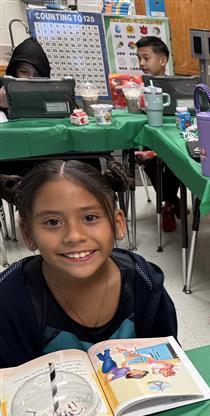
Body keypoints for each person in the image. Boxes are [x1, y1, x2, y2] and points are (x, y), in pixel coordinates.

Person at [0, 160, 177, 369]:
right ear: (28, 234)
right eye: (52, 222)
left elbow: (170, 365)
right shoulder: (10, 300)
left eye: (90, 217)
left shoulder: (145, 283)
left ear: (118, 224)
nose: (74, 236)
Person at [134, 36, 181, 233]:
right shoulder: (136, 86)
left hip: (174, 138)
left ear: (163, 61)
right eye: (139, 59)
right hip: (149, 139)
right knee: (145, 157)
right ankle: (170, 203)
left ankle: (168, 203)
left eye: (146, 58)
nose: (142, 63)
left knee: (175, 157)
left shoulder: (179, 86)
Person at [0, 38, 51, 113]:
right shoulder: (3, 89)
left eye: (37, 75)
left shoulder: (50, 93)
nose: (30, 78)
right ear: (14, 71)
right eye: (23, 72)